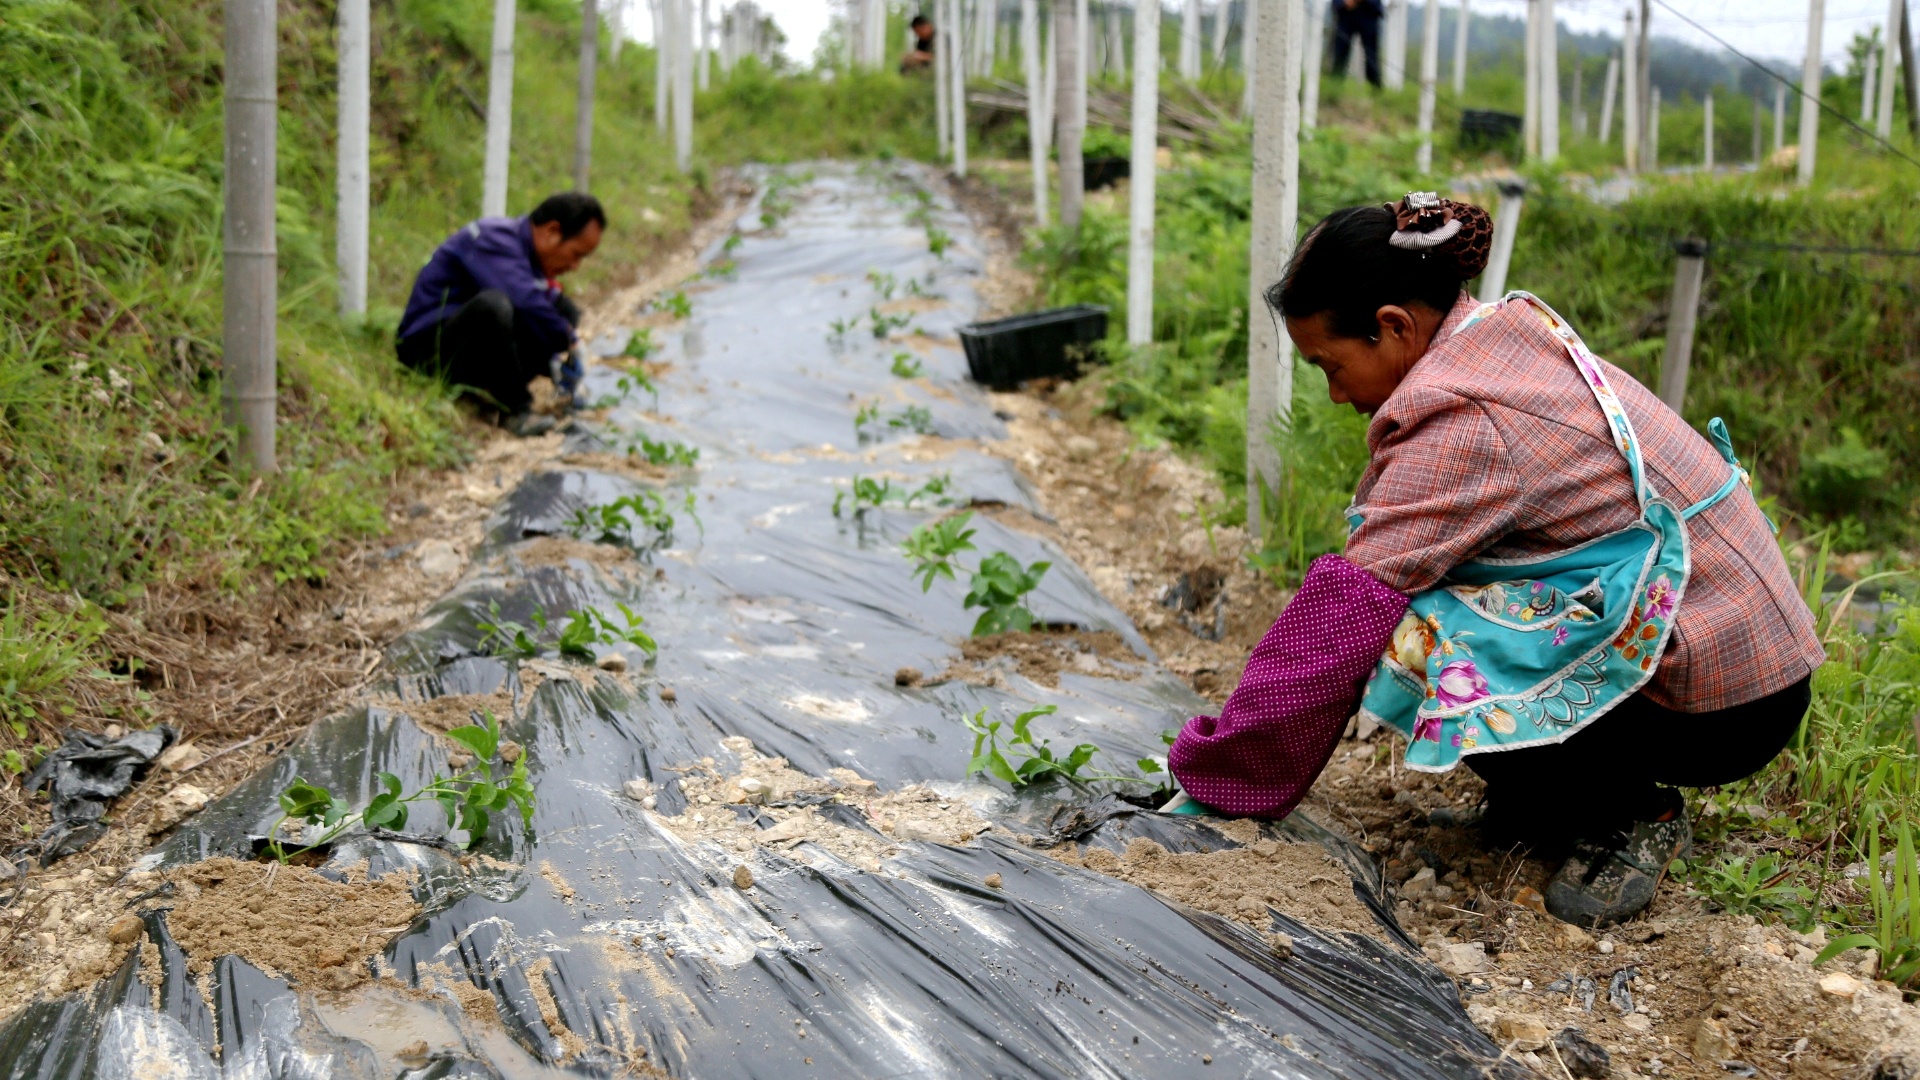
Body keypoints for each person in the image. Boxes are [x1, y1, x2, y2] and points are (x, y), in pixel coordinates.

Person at [1166, 193, 1823, 929]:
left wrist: (1225, 779)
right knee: (1422, 593)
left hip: (1724, 704)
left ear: (1393, 326)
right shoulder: (1497, 336)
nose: (1334, 392)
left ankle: (1631, 811)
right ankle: (1545, 802)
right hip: (1745, 655)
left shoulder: (1465, 415)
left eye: (1331, 364)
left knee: (1404, 632)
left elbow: (1338, 616)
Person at [396, 192, 606, 435]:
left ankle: (494, 389)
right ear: (551, 232)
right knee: (494, 306)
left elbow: (547, 308)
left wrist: (559, 355)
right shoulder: (493, 238)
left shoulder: (529, 257)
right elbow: (524, 300)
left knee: (563, 311)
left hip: (463, 348)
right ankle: (517, 409)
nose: (575, 266)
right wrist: (570, 340)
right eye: (576, 254)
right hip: (428, 351)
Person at [1330, 0, 1384, 88]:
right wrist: (1344, 2)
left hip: (1369, 12)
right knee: (1340, 52)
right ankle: (1334, 87)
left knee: (1371, 54)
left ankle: (1375, 88)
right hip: (1346, 12)